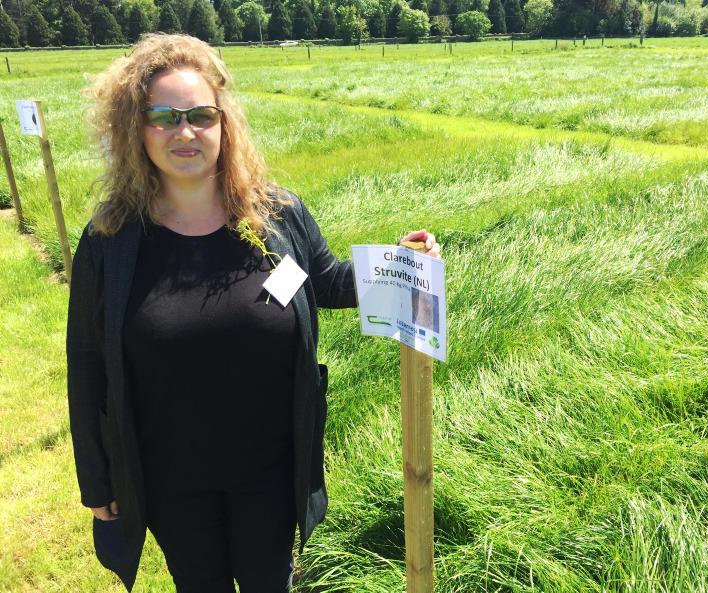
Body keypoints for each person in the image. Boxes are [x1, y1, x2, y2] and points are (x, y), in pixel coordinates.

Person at [66, 33, 440, 593]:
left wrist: (404, 266)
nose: (185, 132)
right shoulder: (110, 241)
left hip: (270, 470)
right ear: (135, 128)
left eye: (200, 115)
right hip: (170, 479)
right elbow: (87, 362)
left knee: (270, 582)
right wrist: (97, 481)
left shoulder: (275, 214)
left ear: (224, 123)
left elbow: (325, 282)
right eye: (163, 117)